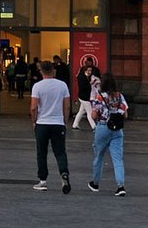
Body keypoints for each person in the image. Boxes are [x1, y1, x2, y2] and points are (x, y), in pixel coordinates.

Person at [29, 61, 71, 192]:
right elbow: (67, 105)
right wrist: (64, 120)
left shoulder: (37, 86)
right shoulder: (62, 85)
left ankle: (43, 180)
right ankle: (64, 173)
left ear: (41, 71)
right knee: (60, 152)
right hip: (58, 123)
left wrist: (34, 121)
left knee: (41, 152)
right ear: (53, 71)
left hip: (42, 123)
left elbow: (34, 107)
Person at [87, 76, 129, 196]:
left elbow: (94, 115)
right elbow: (125, 114)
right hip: (118, 130)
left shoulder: (100, 96)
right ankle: (120, 186)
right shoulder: (119, 96)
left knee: (99, 156)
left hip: (103, 127)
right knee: (118, 159)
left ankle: (95, 183)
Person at [72, 58, 102, 129]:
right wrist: (90, 84)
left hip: (85, 96)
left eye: (90, 70)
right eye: (88, 70)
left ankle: (75, 124)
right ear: (85, 70)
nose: (90, 72)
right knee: (89, 112)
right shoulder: (81, 77)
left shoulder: (89, 76)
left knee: (81, 111)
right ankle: (94, 126)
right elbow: (83, 86)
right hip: (84, 97)